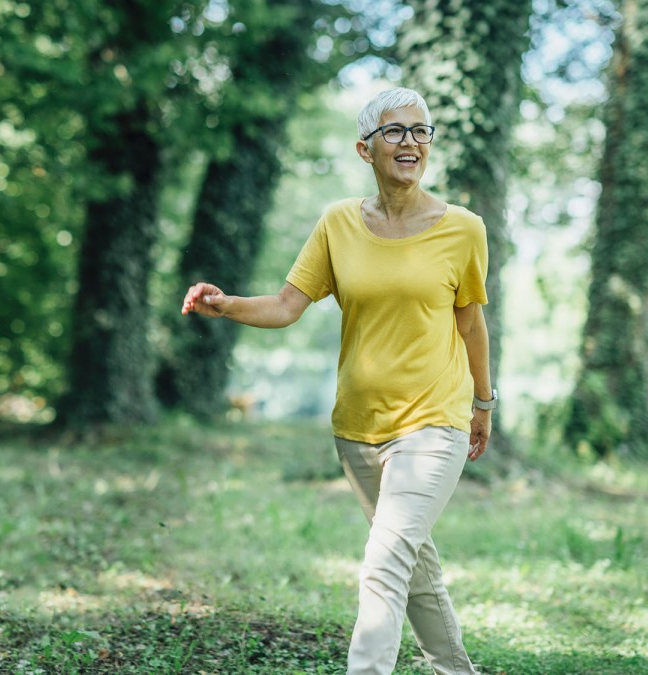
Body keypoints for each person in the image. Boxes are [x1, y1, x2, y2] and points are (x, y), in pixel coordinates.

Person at [181, 87, 491, 675]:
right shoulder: (338, 223)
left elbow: (471, 322)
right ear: (364, 148)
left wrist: (483, 402)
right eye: (395, 131)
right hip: (359, 431)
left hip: (433, 424)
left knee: (383, 563)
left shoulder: (463, 230)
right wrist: (224, 305)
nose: (411, 142)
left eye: (420, 131)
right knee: (412, 563)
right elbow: (284, 305)